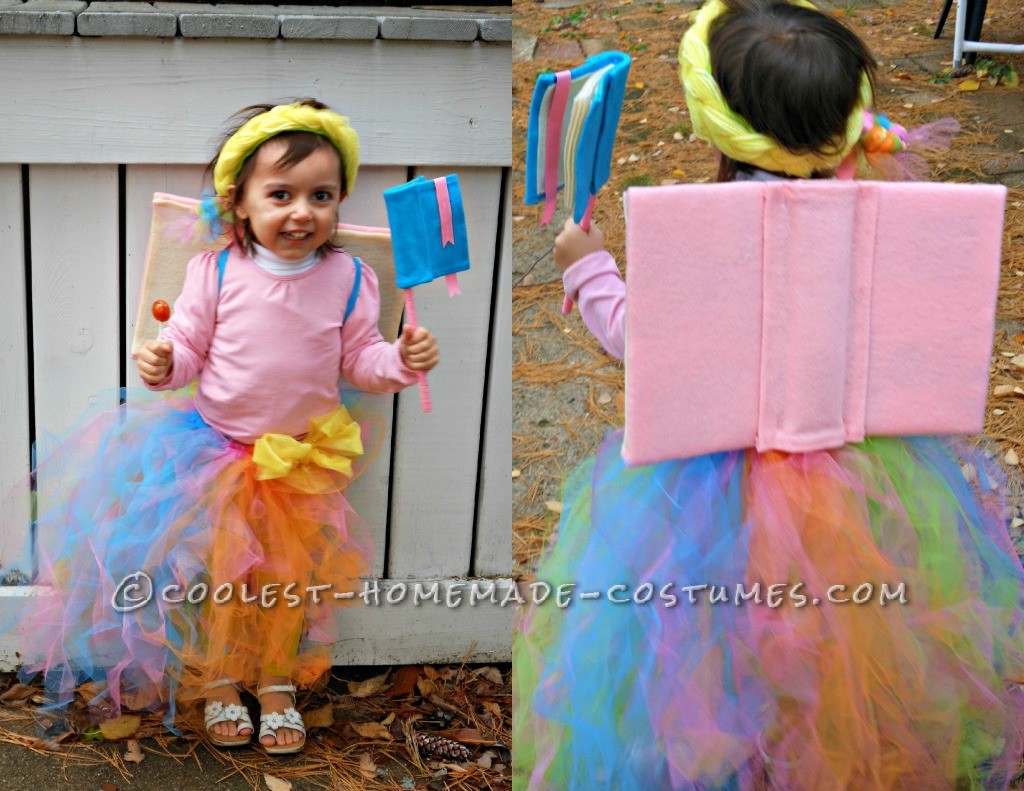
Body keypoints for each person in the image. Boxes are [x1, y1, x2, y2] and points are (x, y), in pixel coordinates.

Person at [513, 1, 1024, 788]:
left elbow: (647, 346)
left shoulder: (709, 231)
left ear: (716, 124)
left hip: (713, 491)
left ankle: (743, 759)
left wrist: (588, 266)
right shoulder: (876, 209)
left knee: (717, 637)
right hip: (864, 479)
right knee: (848, 635)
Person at [8, 99, 439, 755]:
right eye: (281, 194)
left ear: (340, 198)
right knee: (211, 579)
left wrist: (401, 360)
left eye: (321, 195)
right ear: (240, 202)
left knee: (286, 583)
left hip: (300, 461)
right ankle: (217, 681)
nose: (302, 211)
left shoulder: (349, 278)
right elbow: (186, 348)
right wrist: (161, 362)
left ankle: (276, 684)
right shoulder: (215, 271)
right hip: (214, 456)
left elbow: (360, 361)